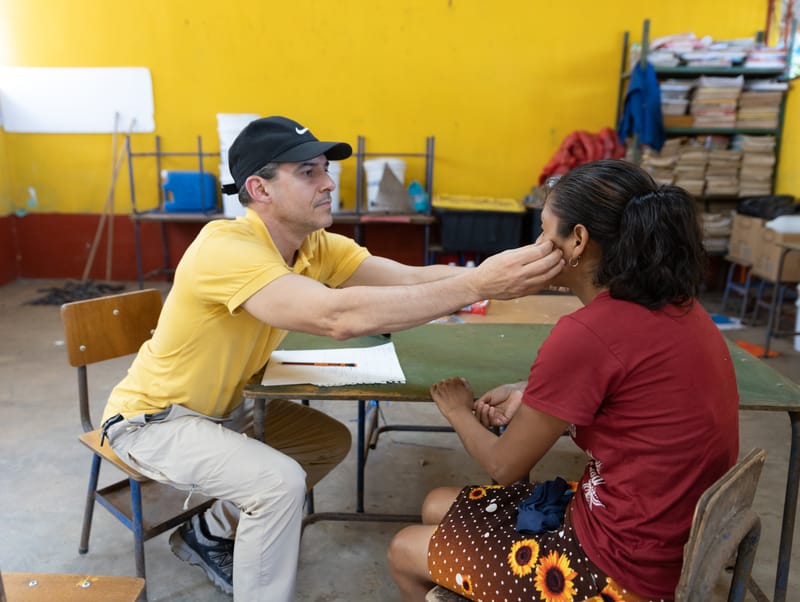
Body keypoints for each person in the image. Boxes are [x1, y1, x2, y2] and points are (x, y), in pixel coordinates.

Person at [99, 115, 564, 601]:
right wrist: (475, 285)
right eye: (307, 173)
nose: (327, 183)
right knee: (277, 484)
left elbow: (408, 278)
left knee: (324, 442)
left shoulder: (312, 246)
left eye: (324, 169)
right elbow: (334, 316)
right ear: (259, 188)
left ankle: (209, 532)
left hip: (220, 416)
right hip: (153, 423)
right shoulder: (225, 247)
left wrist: (501, 272)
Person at [387, 159, 740, 602]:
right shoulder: (677, 303)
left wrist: (458, 411)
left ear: (578, 241)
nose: (537, 244)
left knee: (404, 549)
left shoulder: (586, 334)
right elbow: (627, 386)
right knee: (436, 501)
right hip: (665, 534)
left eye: (545, 230)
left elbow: (503, 466)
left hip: (621, 568)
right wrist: (530, 392)